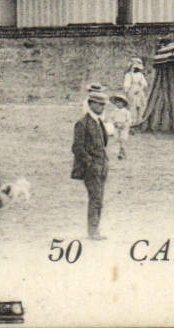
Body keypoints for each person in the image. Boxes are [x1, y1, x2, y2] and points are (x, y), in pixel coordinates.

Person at [71, 87, 109, 241]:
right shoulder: (82, 123)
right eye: (99, 104)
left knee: (99, 199)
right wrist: (90, 163)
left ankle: (95, 229)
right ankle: (93, 231)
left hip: (102, 165)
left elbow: (103, 143)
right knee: (95, 198)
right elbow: (76, 147)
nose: (102, 107)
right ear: (91, 104)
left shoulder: (99, 122)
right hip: (92, 168)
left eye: (103, 105)